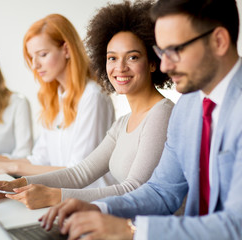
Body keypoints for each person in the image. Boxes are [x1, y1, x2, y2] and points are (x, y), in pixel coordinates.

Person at [39, 0, 242, 239]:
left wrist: (130, 231)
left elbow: (236, 226)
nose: (165, 64)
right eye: (160, 52)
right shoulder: (187, 107)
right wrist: (100, 209)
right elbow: (161, 191)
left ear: (218, 41)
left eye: (175, 50)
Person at [0, 1, 174, 210]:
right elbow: (80, 173)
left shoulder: (161, 114)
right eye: (112, 58)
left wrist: (56, 196)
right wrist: (19, 184)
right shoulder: (123, 123)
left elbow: (134, 188)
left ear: (153, 62)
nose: (120, 67)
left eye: (133, 57)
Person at [0, 14, 116, 189]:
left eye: (42, 55)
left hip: (92, 201)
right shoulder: (55, 97)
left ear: (66, 50)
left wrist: (9, 166)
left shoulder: (92, 97)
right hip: (63, 196)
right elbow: (37, 160)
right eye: (31, 57)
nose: (35, 65)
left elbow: (78, 172)